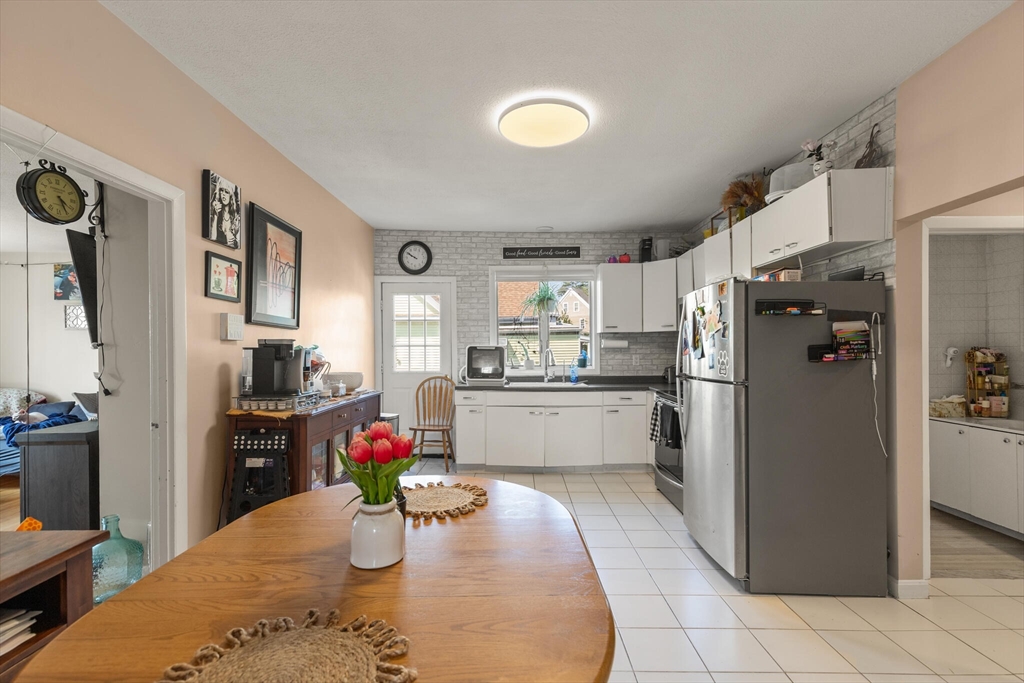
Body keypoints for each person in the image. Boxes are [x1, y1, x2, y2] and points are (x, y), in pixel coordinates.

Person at [211, 176, 241, 248]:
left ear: (231, 196)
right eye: (221, 190)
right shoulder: (217, 212)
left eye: (226, 192)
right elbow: (213, 238)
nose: (223, 194)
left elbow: (236, 245)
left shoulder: (236, 217)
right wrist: (215, 214)